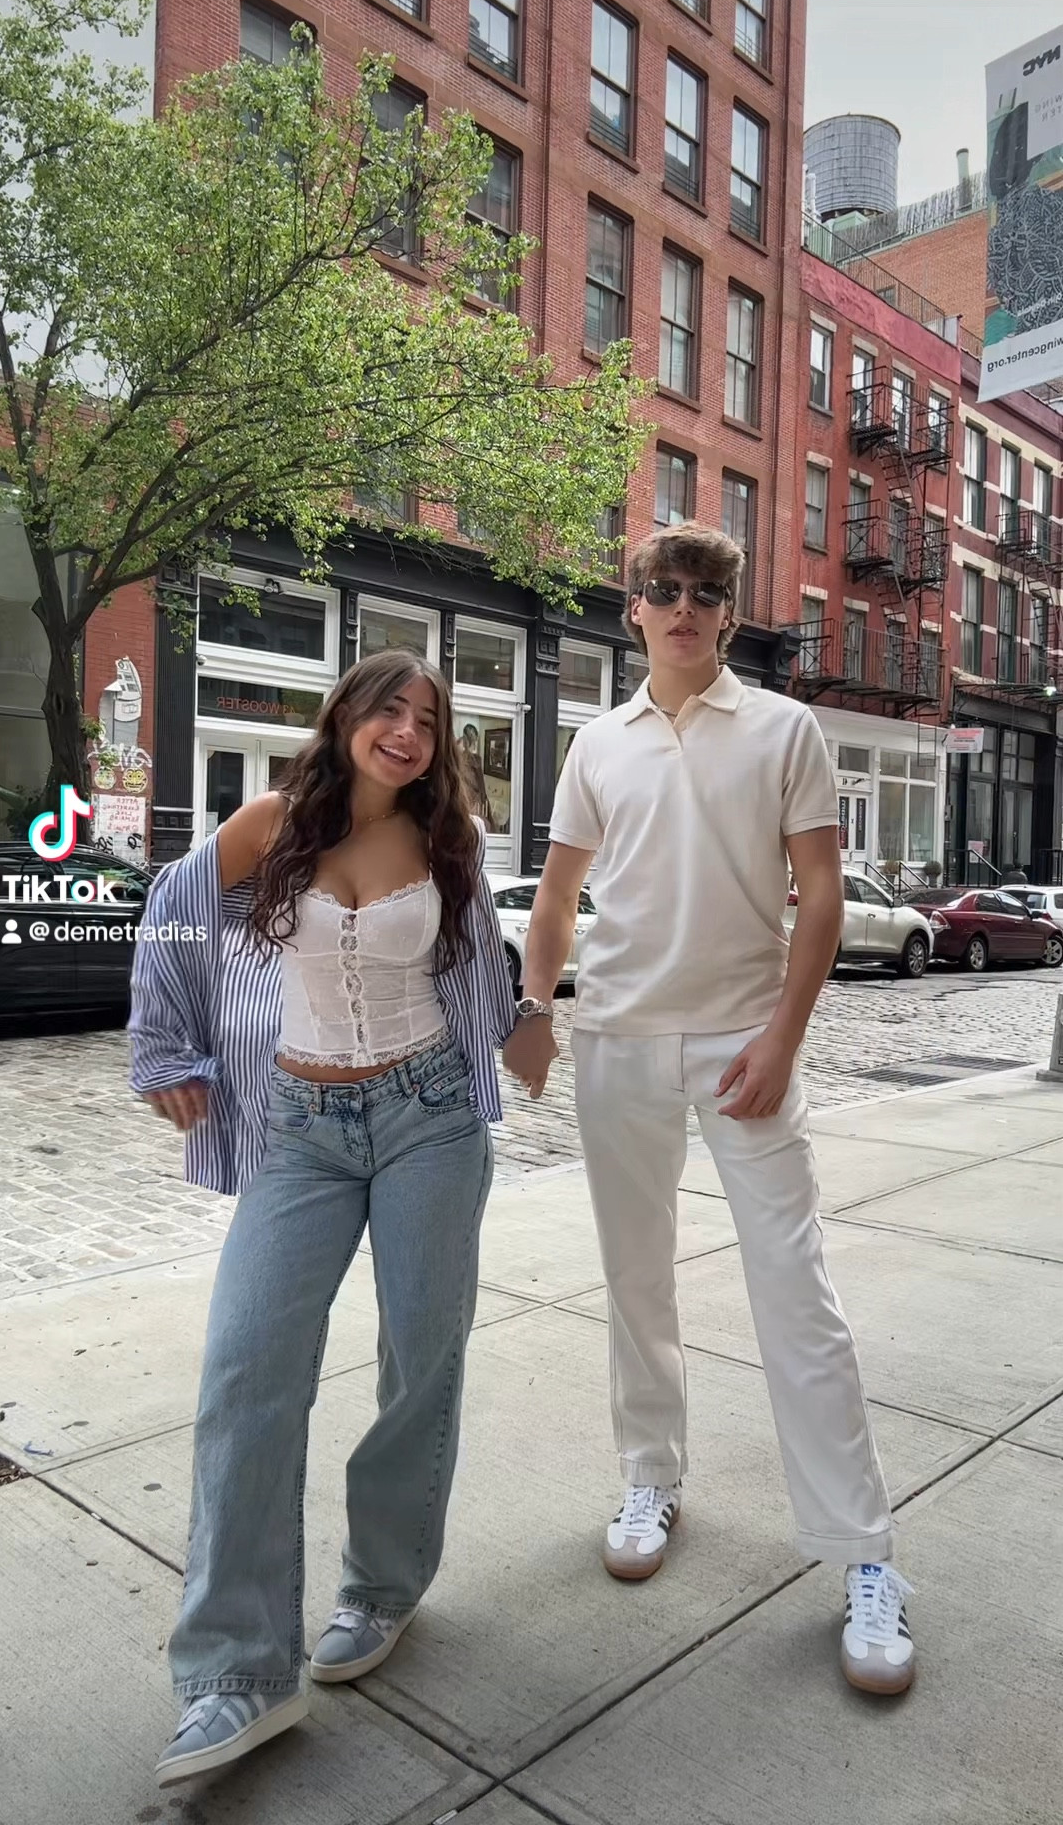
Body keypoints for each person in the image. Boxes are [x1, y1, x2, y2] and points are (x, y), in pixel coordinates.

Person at [505, 522, 916, 1698]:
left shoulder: (786, 730)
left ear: (728, 615)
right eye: (662, 590)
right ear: (632, 608)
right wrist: (537, 1012)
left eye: (704, 592)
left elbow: (822, 891)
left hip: (743, 1043)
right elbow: (558, 900)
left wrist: (784, 1038)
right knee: (636, 1283)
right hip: (621, 1039)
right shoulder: (598, 743)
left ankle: (866, 1555)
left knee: (798, 1294)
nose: (682, 606)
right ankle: (651, 1474)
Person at [129, 650, 523, 1786]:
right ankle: (235, 1675)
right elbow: (173, 913)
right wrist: (164, 1049)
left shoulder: (449, 842)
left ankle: (383, 1587)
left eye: (429, 719)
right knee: (246, 1374)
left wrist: (526, 1024)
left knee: (420, 1363)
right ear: (348, 715)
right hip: (299, 1124)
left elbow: (480, 964)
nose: (407, 730)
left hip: (429, 1119)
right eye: (389, 707)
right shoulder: (273, 822)